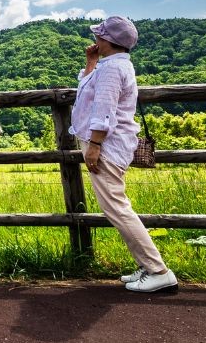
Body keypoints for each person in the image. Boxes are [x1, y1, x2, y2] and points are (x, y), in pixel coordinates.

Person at [71, 16, 177, 293]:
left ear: (108, 40)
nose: (95, 39)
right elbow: (87, 93)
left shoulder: (111, 69)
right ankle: (147, 266)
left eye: (99, 35)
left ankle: (158, 270)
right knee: (116, 206)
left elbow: (103, 109)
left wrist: (95, 145)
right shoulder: (113, 65)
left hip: (106, 145)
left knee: (116, 208)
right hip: (110, 143)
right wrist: (90, 63)